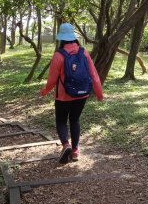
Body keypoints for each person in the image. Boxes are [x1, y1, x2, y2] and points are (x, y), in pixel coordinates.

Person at [40, 23, 103, 164]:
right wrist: (99, 93)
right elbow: (94, 75)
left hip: (63, 96)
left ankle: (66, 145)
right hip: (82, 94)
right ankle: (75, 151)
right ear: (74, 37)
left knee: (61, 121)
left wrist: (44, 91)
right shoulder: (84, 52)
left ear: (61, 38)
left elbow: (52, 80)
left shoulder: (59, 55)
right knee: (75, 120)